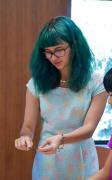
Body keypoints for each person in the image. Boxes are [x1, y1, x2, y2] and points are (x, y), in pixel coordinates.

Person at [14, 16, 107, 179]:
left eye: (59, 49)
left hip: (81, 159)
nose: (53, 57)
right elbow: (28, 126)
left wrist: (61, 139)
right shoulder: (36, 84)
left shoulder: (96, 82)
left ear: (75, 45)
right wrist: (24, 137)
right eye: (48, 52)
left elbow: (89, 128)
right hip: (48, 161)